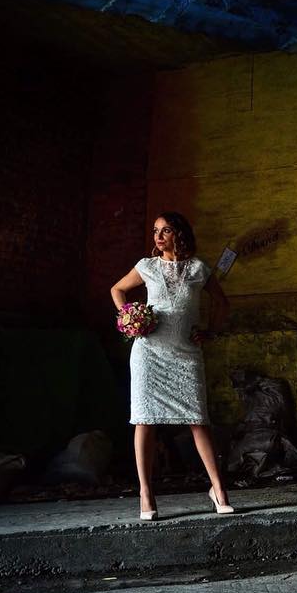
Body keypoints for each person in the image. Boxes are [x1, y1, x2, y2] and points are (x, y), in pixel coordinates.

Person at [110, 212, 234, 520]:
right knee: (144, 420)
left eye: (165, 230)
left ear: (179, 233)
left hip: (186, 354)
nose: (158, 236)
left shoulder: (199, 268)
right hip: (148, 353)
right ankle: (146, 494)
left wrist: (210, 331)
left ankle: (219, 490)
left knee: (198, 420)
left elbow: (222, 303)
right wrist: (130, 318)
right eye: (155, 230)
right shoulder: (147, 266)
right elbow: (117, 290)